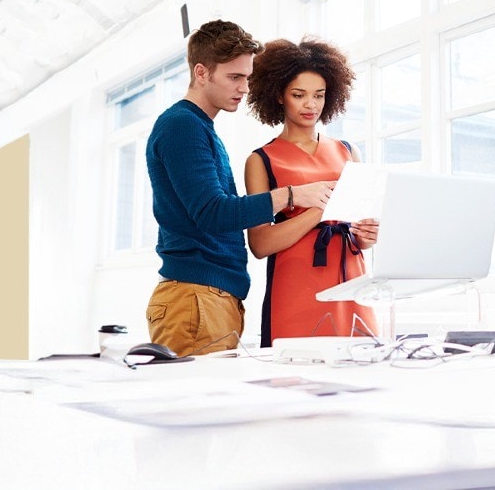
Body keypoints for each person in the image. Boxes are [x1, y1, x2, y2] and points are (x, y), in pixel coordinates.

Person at [145, 20, 332, 357]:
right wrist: (292, 195)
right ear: (201, 73)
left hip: (209, 298)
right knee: (197, 409)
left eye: (246, 77)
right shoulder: (182, 126)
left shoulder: (200, 127)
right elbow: (213, 212)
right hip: (196, 298)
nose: (244, 88)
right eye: (234, 77)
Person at [245, 37, 379, 347]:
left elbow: (358, 232)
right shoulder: (261, 160)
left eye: (319, 95)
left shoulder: (349, 151)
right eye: (299, 95)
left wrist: (366, 236)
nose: (311, 105)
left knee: (360, 370)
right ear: (278, 95)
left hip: (352, 281)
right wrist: (323, 210)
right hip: (296, 287)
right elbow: (261, 244)